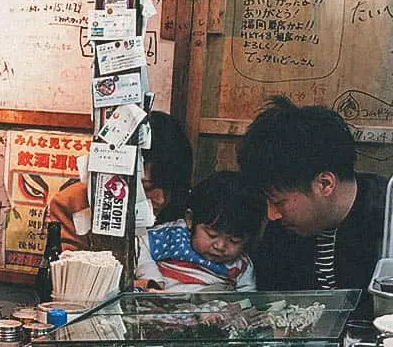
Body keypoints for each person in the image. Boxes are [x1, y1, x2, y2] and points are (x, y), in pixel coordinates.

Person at [237, 96, 386, 318]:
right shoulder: (281, 230)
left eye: (279, 202)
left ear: (325, 184)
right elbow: (272, 302)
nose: (271, 214)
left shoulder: (389, 218)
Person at [46, 111, 193, 282]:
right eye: (147, 187)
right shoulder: (73, 204)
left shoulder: (183, 207)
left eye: (170, 188)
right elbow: (69, 278)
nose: (161, 199)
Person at [147, 171, 261, 291]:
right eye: (212, 234)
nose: (220, 246)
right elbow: (138, 246)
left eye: (234, 240)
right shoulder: (173, 237)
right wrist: (152, 278)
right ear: (190, 219)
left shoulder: (241, 265)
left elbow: (247, 298)